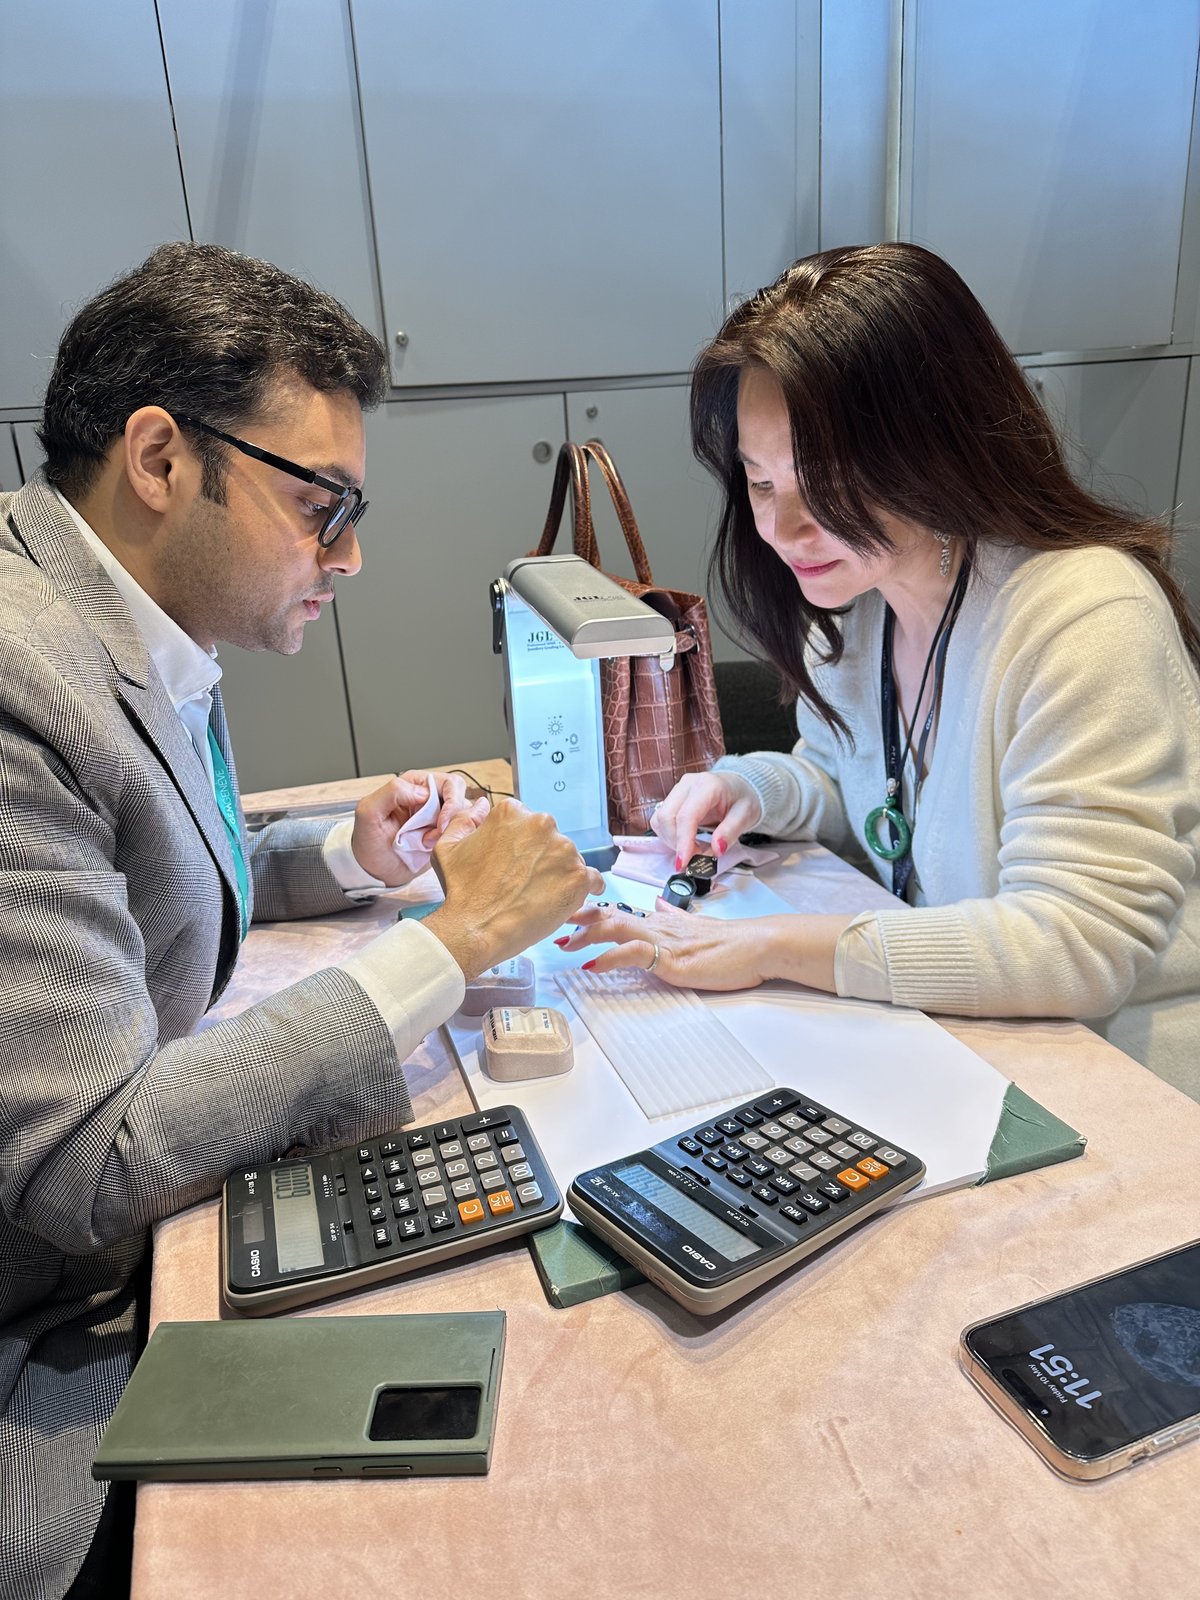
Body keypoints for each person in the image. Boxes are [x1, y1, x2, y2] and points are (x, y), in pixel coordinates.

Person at [0, 242, 603, 1600]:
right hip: (47, 1350)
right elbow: (90, 1160)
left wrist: (345, 850)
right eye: (321, 502)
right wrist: (448, 946)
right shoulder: (16, 676)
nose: (353, 552)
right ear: (161, 460)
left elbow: (139, 867)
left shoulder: (110, 617)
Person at [562, 242, 1200, 1100]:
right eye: (759, 482)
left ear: (937, 445)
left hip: (1126, 1090)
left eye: (822, 477)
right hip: (964, 1045)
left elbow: (1076, 946)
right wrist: (753, 788)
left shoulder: (1083, 616)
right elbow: (856, 788)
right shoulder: (862, 602)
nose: (783, 529)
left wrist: (774, 946)